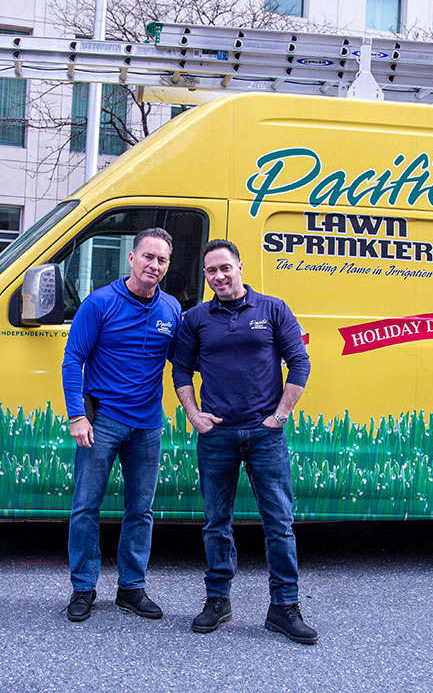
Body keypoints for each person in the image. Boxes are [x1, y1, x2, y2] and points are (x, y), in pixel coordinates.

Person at [171, 239, 317, 644]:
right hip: (217, 436)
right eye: (210, 272)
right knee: (216, 523)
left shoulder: (273, 309)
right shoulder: (197, 318)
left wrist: (281, 415)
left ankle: (284, 608)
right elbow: (181, 369)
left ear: (240, 267)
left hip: (265, 437)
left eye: (224, 268)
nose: (218, 276)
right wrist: (193, 413)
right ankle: (217, 600)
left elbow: (300, 362)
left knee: (279, 524)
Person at [61, 227, 181, 623]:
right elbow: (72, 359)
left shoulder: (171, 310)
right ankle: (83, 589)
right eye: (148, 256)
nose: (155, 265)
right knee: (85, 507)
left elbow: (185, 362)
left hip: (148, 426)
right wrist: (77, 415)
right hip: (103, 423)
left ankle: (131, 589)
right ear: (132, 258)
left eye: (162, 259)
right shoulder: (100, 303)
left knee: (140, 511)